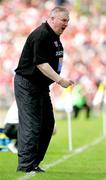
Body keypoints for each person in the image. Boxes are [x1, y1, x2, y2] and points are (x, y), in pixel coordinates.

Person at [14, 6, 74, 173]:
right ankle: (26, 165)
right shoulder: (41, 35)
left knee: (48, 125)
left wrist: (57, 79)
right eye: (63, 20)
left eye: (68, 21)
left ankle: (34, 162)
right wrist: (60, 80)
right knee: (32, 125)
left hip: (40, 86)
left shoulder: (54, 37)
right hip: (27, 84)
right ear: (52, 18)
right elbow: (40, 64)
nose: (66, 24)